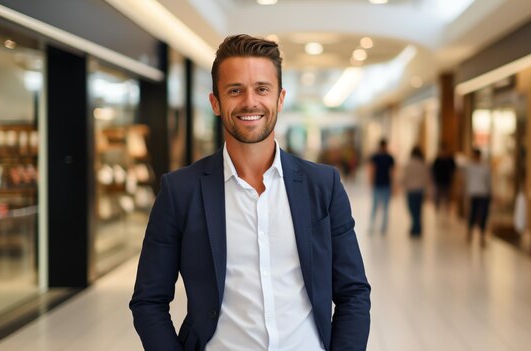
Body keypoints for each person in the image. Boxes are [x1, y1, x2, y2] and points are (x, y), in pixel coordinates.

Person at [129, 34, 371, 351]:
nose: (250, 102)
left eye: (262, 89)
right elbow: (149, 300)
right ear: (215, 102)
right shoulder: (181, 190)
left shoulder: (322, 185)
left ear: (280, 99)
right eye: (235, 90)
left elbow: (353, 292)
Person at [464, 148, 492, 247]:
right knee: (472, 214)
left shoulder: (485, 168)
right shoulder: (470, 167)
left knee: (483, 215)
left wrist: (490, 192)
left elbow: (488, 182)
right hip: (473, 194)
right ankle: (469, 234)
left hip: (483, 194)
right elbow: (467, 181)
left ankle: (482, 237)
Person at [402, 147, 430, 237]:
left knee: (412, 210)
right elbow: (427, 178)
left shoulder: (408, 164)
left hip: (410, 190)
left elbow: (404, 177)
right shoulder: (423, 165)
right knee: (418, 211)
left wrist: (402, 185)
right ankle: (417, 228)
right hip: (420, 190)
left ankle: (415, 227)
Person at [368, 138, 395, 234]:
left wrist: (371, 182)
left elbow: (372, 170)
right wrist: (393, 185)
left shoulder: (375, 157)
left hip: (379, 184)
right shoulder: (389, 157)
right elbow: (392, 172)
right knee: (384, 207)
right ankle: (382, 228)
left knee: (376, 207)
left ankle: (373, 227)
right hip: (384, 184)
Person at [431, 143, 456, 212]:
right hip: (438, 180)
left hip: (447, 180)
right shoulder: (437, 159)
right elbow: (433, 170)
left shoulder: (450, 159)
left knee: (447, 196)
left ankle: (446, 208)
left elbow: (453, 169)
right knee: (438, 195)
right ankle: (437, 207)